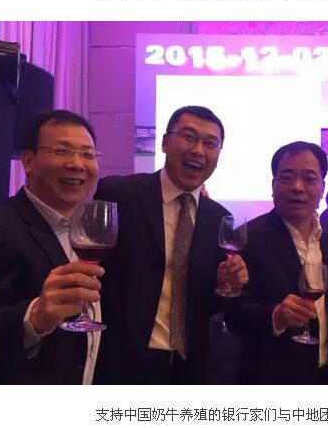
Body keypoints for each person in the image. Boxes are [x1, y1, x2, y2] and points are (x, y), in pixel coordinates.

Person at [93, 106, 248, 384]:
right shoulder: (119, 194)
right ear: (165, 142)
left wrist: (227, 286)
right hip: (121, 360)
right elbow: (94, 269)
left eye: (210, 143)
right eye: (189, 137)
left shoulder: (219, 219)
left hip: (189, 366)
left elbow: (209, 305)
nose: (198, 150)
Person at [0, 110, 104, 384]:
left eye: (87, 154)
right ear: (29, 161)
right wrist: (35, 317)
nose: (77, 164)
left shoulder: (90, 231)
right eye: (62, 151)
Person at [225, 142, 328, 384]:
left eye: (309, 179)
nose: (297, 187)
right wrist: (276, 316)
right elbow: (234, 316)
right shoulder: (247, 238)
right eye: (287, 178)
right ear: (273, 185)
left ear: (322, 188)